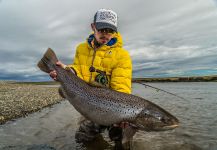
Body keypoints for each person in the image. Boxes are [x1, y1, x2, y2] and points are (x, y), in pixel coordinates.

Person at [49, 8, 132, 144]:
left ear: (115, 31)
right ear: (93, 27)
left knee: (121, 137)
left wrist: (122, 114)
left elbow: (122, 87)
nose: (105, 34)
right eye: (101, 29)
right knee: (82, 138)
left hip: (113, 106)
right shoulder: (81, 49)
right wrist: (67, 71)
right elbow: (79, 70)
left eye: (110, 30)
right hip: (91, 102)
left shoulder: (122, 56)